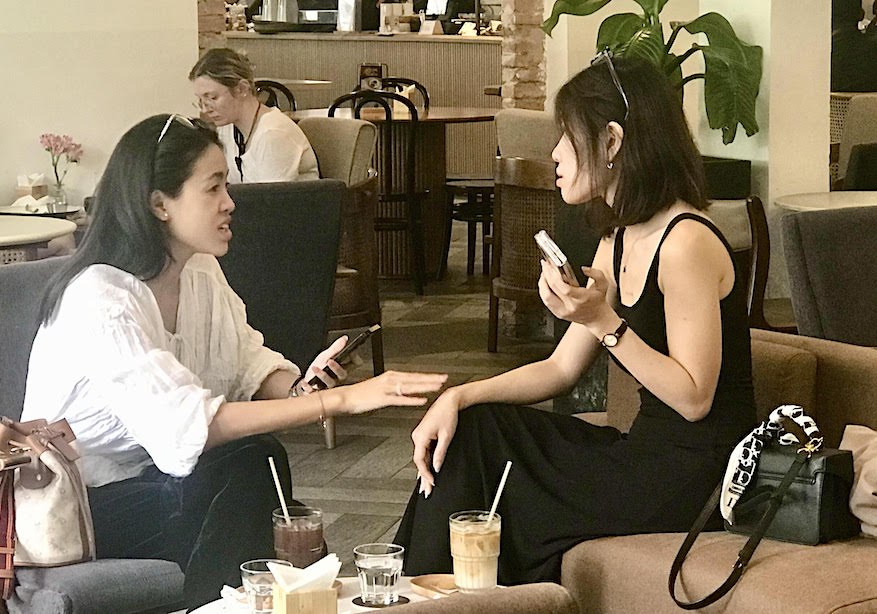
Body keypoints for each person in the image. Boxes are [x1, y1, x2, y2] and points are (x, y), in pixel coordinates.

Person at [21, 114, 446, 611]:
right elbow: (190, 425)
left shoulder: (199, 270)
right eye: (214, 187)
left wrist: (300, 387)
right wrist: (341, 401)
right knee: (250, 472)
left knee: (258, 466)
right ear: (160, 204)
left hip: (153, 483)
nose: (230, 202)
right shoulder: (100, 298)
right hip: (76, 509)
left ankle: (234, 603)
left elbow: (247, 364)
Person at [394, 54, 757, 584]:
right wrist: (460, 395)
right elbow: (561, 371)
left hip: (697, 477)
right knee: (477, 428)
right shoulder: (618, 237)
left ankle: (408, 589)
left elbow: (695, 398)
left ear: (611, 142)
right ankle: (413, 588)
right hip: (644, 454)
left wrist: (603, 320)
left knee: (501, 484)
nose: (556, 152)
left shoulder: (686, 243)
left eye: (567, 135)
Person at [189, 47, 320, 184]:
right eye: (201, 100)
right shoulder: (227, 127)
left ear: (242, 89)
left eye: (212, 98)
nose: (205, 109)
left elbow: (270, 201)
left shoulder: (273, 134)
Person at [831, 0, 877, 92]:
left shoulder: (818, 49)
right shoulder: (871, 47)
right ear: (861, 14)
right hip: (867, 103)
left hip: (831, 103)